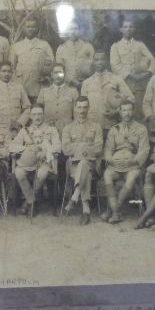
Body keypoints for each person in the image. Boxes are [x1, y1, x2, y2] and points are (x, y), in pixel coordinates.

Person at [102, 100, 150, 224]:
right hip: (116, 166)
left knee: (131, 178)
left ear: (133, 111)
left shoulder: (141, 129)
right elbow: (108, 149)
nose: (127, 113)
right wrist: (110, 160)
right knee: (107, 175)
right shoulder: (114, 129)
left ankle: (113, 211)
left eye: (129, 110)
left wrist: (134, 161)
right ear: (120, 112)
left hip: (133, 166)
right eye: (124, 110)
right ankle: (115, 212)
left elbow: (144, 150)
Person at [10, 104, 61, 216]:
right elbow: (12, 146)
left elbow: (58, 146)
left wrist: (47, 151)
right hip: (27, 163)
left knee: (42, 174)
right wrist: (27, 149)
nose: (37, 117)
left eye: (39, 114)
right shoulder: (24, 131)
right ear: (30, 116)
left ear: (43, 115)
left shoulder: (51, 130)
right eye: (34, 114)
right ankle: (31, 201)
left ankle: (28, 203)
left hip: (44, 163)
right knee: (19, 173)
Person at [61, 96, 103, 225]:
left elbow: (99, 148)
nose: (82, 110)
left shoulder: (96, 126)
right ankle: (85, 209)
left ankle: (75, 197)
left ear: (88, 108)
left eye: (85, 107)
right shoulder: (68, 128)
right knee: (85, 170)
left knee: (85, 165)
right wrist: (84, 147)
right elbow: (66, 149)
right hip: (73, 165)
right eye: (79, 107)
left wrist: (78, 148)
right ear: (75, 108)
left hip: (93, 165)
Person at [80, 51, 135, 131]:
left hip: (112, 126)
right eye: (97, 60)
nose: (100, 62)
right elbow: (82, 106)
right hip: (92, 127)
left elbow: (131, 99)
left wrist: (117, 111)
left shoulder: (116, 79)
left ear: (106, 61)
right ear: (93, 62)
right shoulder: (87, 82)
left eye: (102, 59)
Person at [109, 19, 155, 111]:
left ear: (134, 29)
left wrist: (147, 73)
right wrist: (131, 75)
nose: (128, 29)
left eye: (131, 27)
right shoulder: (115, 46)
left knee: (139, 110)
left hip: (139, 85)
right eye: (125, 27)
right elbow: (115, 65)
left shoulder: (140, 45)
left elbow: (153, 60)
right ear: (121, 29)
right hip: (124, 85)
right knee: (125, 110)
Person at [11, 17, 54, 103]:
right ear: (24, 28)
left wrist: (46, 76)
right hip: (21, 89)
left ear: (37, 28)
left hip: (38, 89)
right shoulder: (16, 46)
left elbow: (52, 64)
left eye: (33, 27)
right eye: (28, 27)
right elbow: (12, 68)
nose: (30, 29)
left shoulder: (44, 45)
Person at [0, 60, 31, 131]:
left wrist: (20, 123)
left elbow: (27, 108)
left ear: (12, 73)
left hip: (17, 128)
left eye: (9, 71)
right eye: (4, 71)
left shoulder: (19, 88)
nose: (6, 74)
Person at [37, 62, 78, 134]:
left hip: (67, 131)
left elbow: (77, 114)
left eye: (60, 72)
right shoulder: (43, 92)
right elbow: (38, 113)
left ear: (64, 74)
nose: (58, 75)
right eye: (55, 73)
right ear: (51, 74)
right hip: (48, 131)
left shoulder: (73, 92)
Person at [55, 21, 94, 89]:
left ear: (79, 31)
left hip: (87, 84)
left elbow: (94, 66)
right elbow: (59, 69)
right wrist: (71, 81)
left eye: (75, 29)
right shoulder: (61, 48)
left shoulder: (88, 46)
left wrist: (86, 81)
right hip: (68, 85)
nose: (73, 32)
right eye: (70, 29)